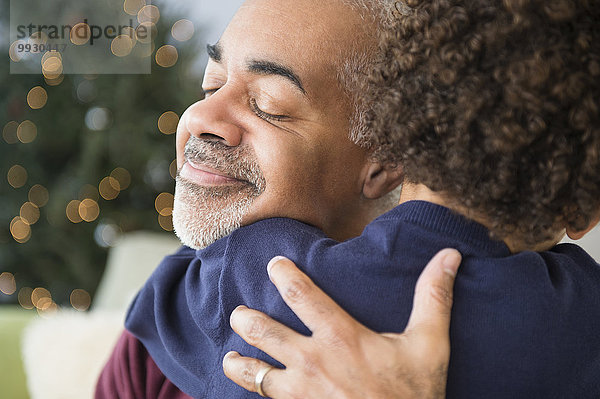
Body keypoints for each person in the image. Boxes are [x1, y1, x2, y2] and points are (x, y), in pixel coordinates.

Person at [98, 0, 600, 398]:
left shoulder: (216, 293)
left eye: (269, 106)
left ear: (392, 154)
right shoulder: (579, 313)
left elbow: (164, 296)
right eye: (210, 82)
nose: (200, 117)